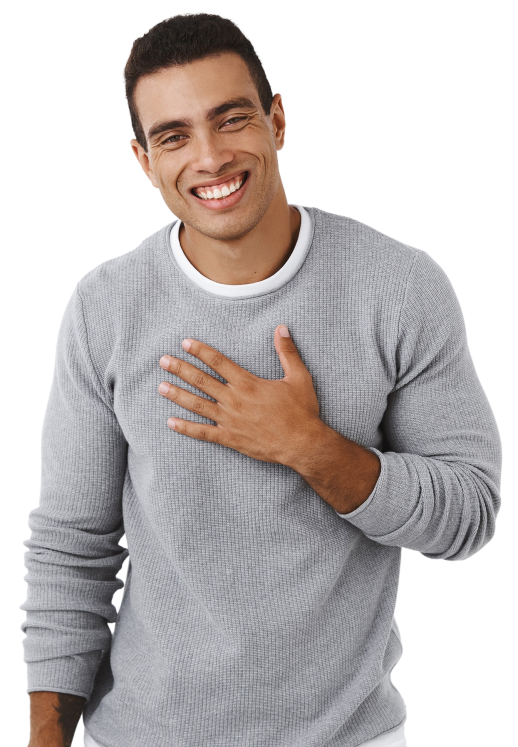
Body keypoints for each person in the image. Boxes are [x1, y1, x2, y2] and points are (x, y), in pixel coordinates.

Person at [20, 11, 503, 747]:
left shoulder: (399, 286)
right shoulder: (105, 306)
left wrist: (311, 446)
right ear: (143, 160)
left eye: (231, 118)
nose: (210, 157)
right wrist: (45, 737)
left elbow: (468, 514)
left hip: (349, 736)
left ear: (278, 120)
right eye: (174, 136)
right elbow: (72, 545)